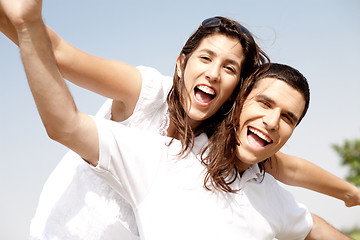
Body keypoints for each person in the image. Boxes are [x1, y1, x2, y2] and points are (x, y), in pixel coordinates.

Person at [1, 2, 359, 239]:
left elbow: (286, 166)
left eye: (230, 68)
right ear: (180, 63)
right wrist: (23, 18)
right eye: (205, 58)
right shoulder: (147, 92)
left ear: (235, 92)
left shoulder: (219, 144)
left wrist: (348, 192)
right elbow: (59, 55)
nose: (214, 74)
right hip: (63, 229)